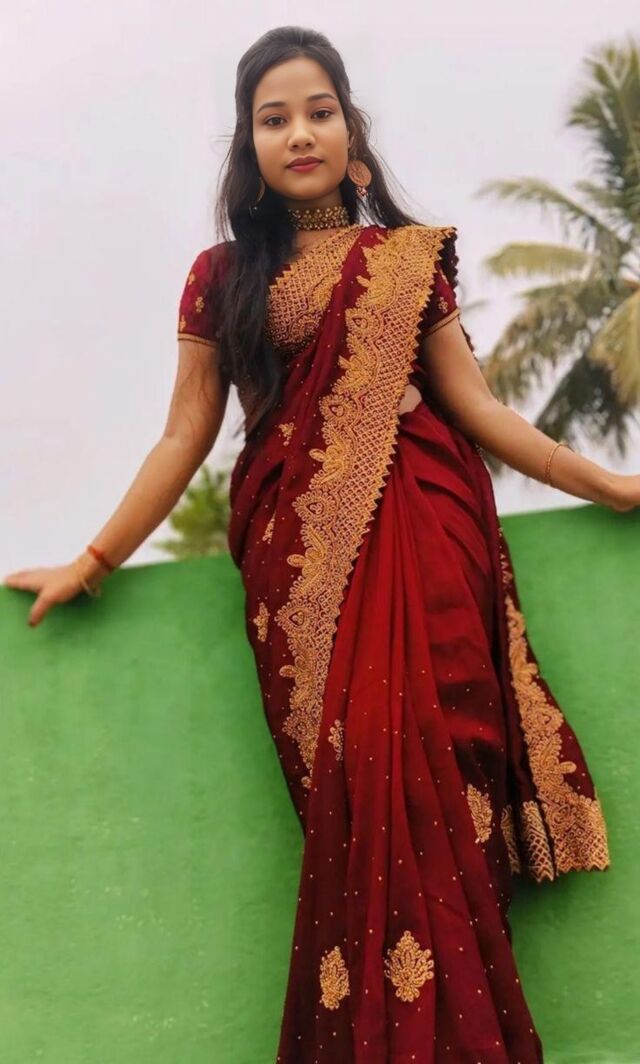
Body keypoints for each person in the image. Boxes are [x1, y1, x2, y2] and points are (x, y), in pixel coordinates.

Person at [5, 25, 639, 1064]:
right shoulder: (221, 278)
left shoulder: (406, 262)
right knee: (361, 795)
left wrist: (607, 482)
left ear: (352, 132)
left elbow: (478, 409)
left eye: (318, 111)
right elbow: (184, 434)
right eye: (274, 118)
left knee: (446, 782)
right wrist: (92, 559)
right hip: (298, 570)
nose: (299, 132)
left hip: (430, 539)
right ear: (248, 145)